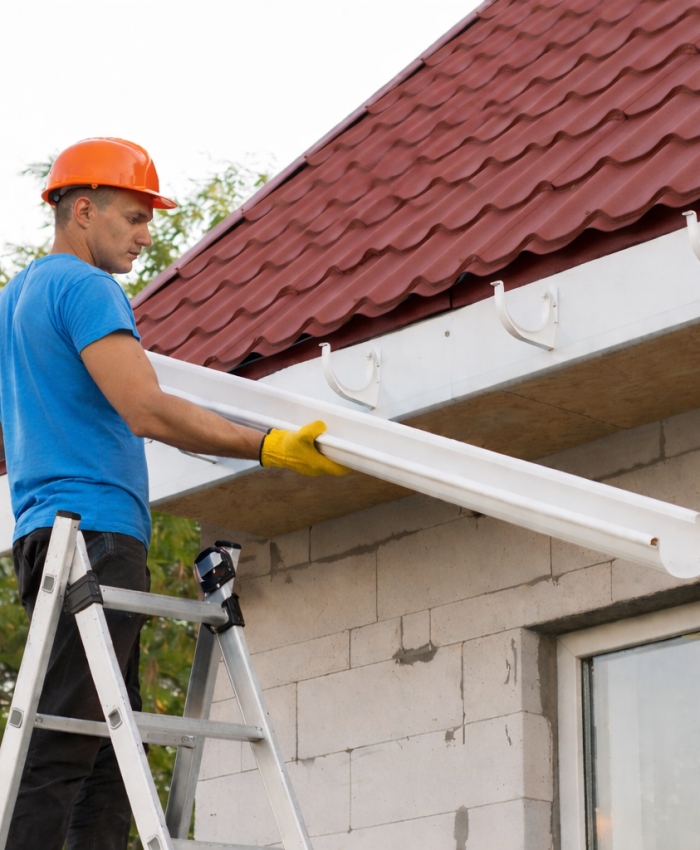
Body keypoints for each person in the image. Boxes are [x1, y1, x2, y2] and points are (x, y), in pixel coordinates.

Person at [0, 137, 347, 850]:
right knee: (65, 746)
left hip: (46, 537)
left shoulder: (15, 300)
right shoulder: (87, 288)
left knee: (103, 751)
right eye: (133, 217)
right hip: (91, 536)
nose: (145, 235)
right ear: (83, 210)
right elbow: (147, 409)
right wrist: (264, 444)